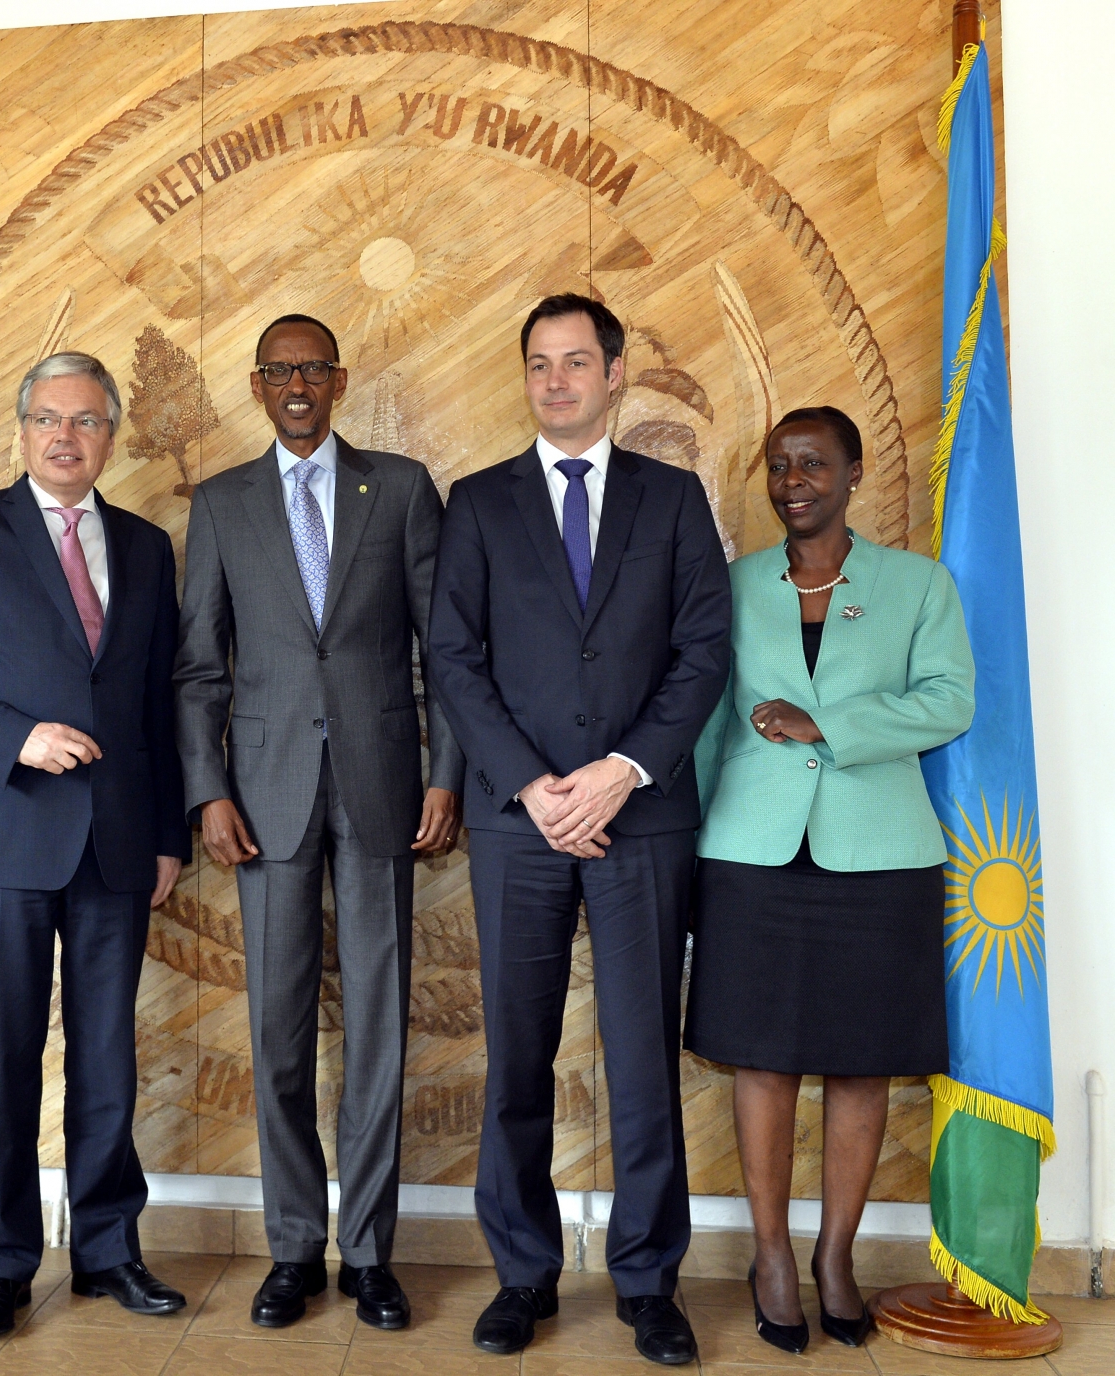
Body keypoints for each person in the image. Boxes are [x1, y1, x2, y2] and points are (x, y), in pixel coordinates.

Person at [428, 294, 731, 1363]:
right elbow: (452, 659)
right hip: (521, 826)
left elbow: (703, 650)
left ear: (614, 372)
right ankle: (523, 1271)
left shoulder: (674, 496)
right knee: (516, 1054)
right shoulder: (476, 502)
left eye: (574, 362)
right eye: (537, 364)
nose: (555, 380)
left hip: (641, 818)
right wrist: (534, 786)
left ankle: (647, 1279)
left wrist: (620, 770)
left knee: (641, 1053)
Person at [0, 352, 192, 1336]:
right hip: (3, 837)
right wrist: (18, 736)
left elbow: (158, 705)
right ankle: (4, 1264)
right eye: (49, 418)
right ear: (22, 431)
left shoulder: (146, 547)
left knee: (108, 1055)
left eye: (88, 420)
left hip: (117, 844)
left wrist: (168, 834)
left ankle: (107, 1251)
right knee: (9, 1056)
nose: (67, 436)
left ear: (112, 434)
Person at [174, 314, 463, 1333]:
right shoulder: (220, 503)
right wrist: (207, 790)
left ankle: (370, 1253)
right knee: (276, 1027)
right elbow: (199, 665)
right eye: (279, 369)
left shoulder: (400, 487)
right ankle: (293, 1245)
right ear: (257, 385)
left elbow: (445, 649)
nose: (297, 382)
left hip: (386, 784)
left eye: (313, 367)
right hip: (261, 797)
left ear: (338, 379)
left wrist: (448, 774)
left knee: (379, 1025)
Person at [685, 406, 975, 1353]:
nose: (792, 479)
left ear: (854, 473)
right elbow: (704, 723)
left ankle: (836, 1256)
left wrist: (829, 728)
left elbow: (950, 700)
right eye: (778, 465)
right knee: (761, 1058)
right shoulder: (728, 588)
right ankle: (771, 1255)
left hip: (880, 856)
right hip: (750, 853)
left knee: (861, 1062)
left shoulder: (918, 585)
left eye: (812, 463)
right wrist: (681, 848)